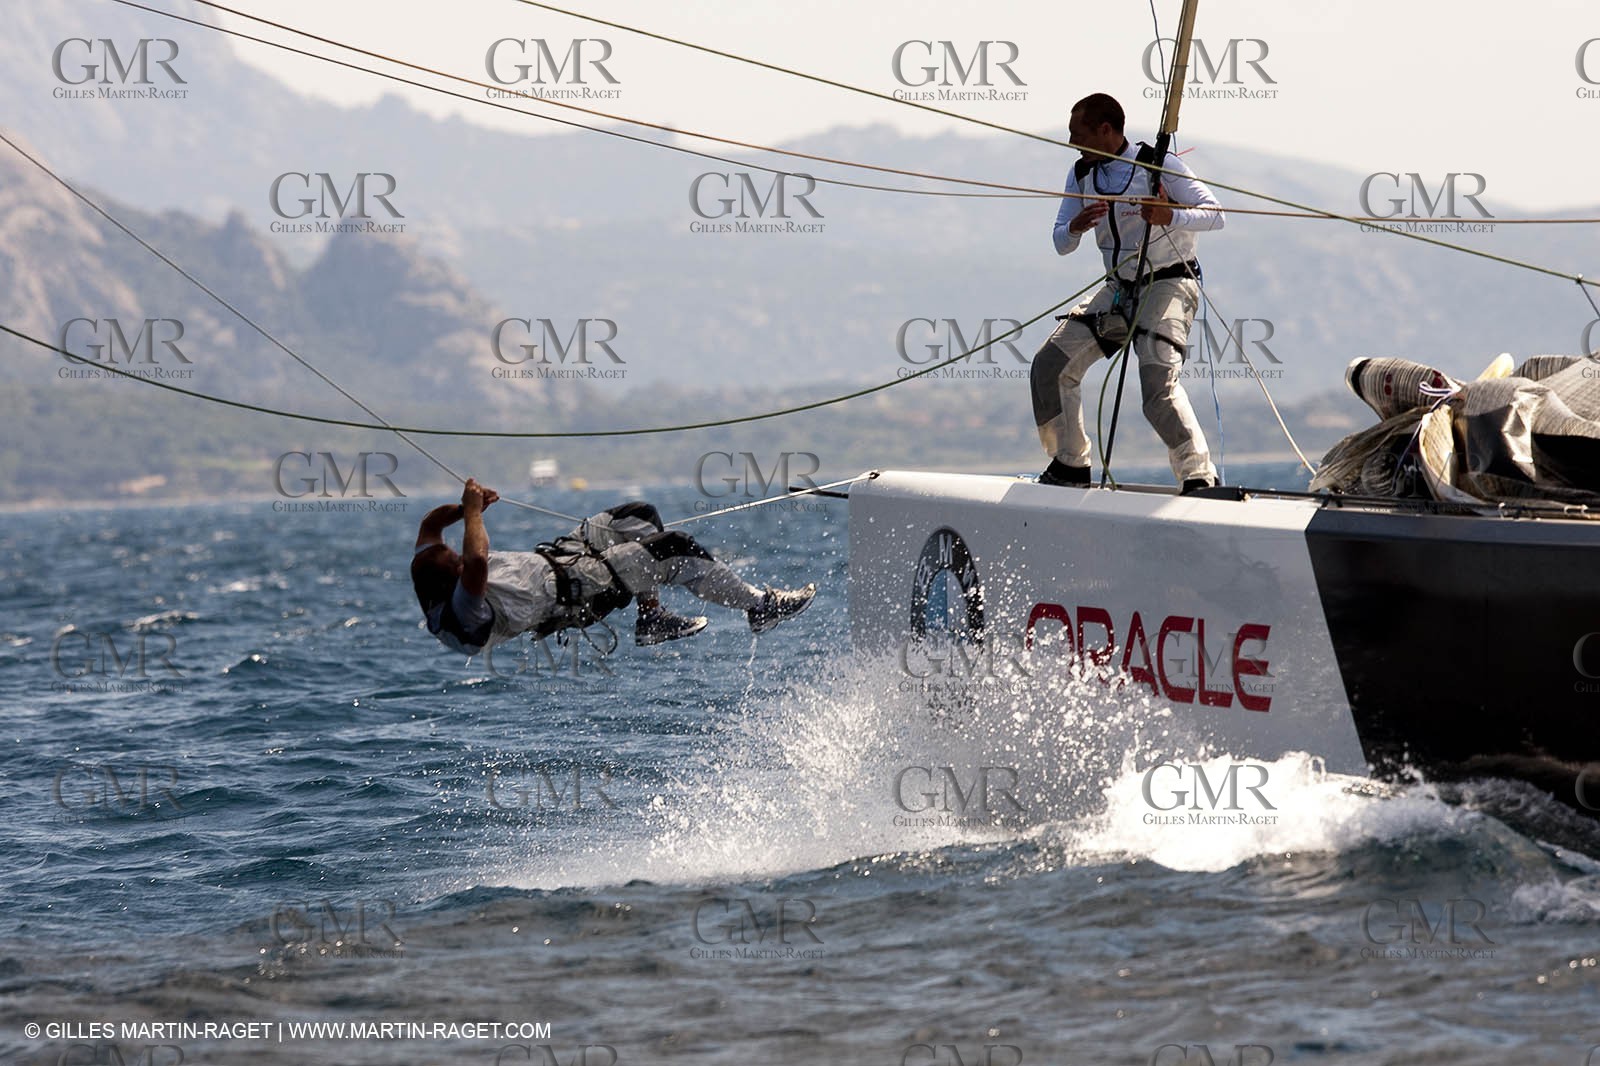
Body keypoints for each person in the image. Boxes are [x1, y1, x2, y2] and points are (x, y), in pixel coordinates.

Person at [1029, 92, 1225, 493]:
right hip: (1119, 289)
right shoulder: (1082, 174)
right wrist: (1077, 225)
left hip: (1169, 283)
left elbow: (1215, 214)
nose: (1071, 143)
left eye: (1076, 133)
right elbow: (1060, 243)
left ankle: (1199, 476)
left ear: (1105, 130)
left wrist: (1171, 214)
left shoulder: (1159, 165)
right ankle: (1070, 464)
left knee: (1157, 387)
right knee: (1050, 365)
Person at [411, 479, 816, 655]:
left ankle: (651, 617)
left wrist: (469, 505)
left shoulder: (426, 567)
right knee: (673, 546)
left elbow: (430, 526)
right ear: (453, 580)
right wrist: (471, 513)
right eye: (456, 562)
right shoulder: (464, 610)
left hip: (563, 556)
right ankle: (760, 607)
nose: (459, 555)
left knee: (636, 515)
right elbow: (477, 560)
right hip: (579, 589)